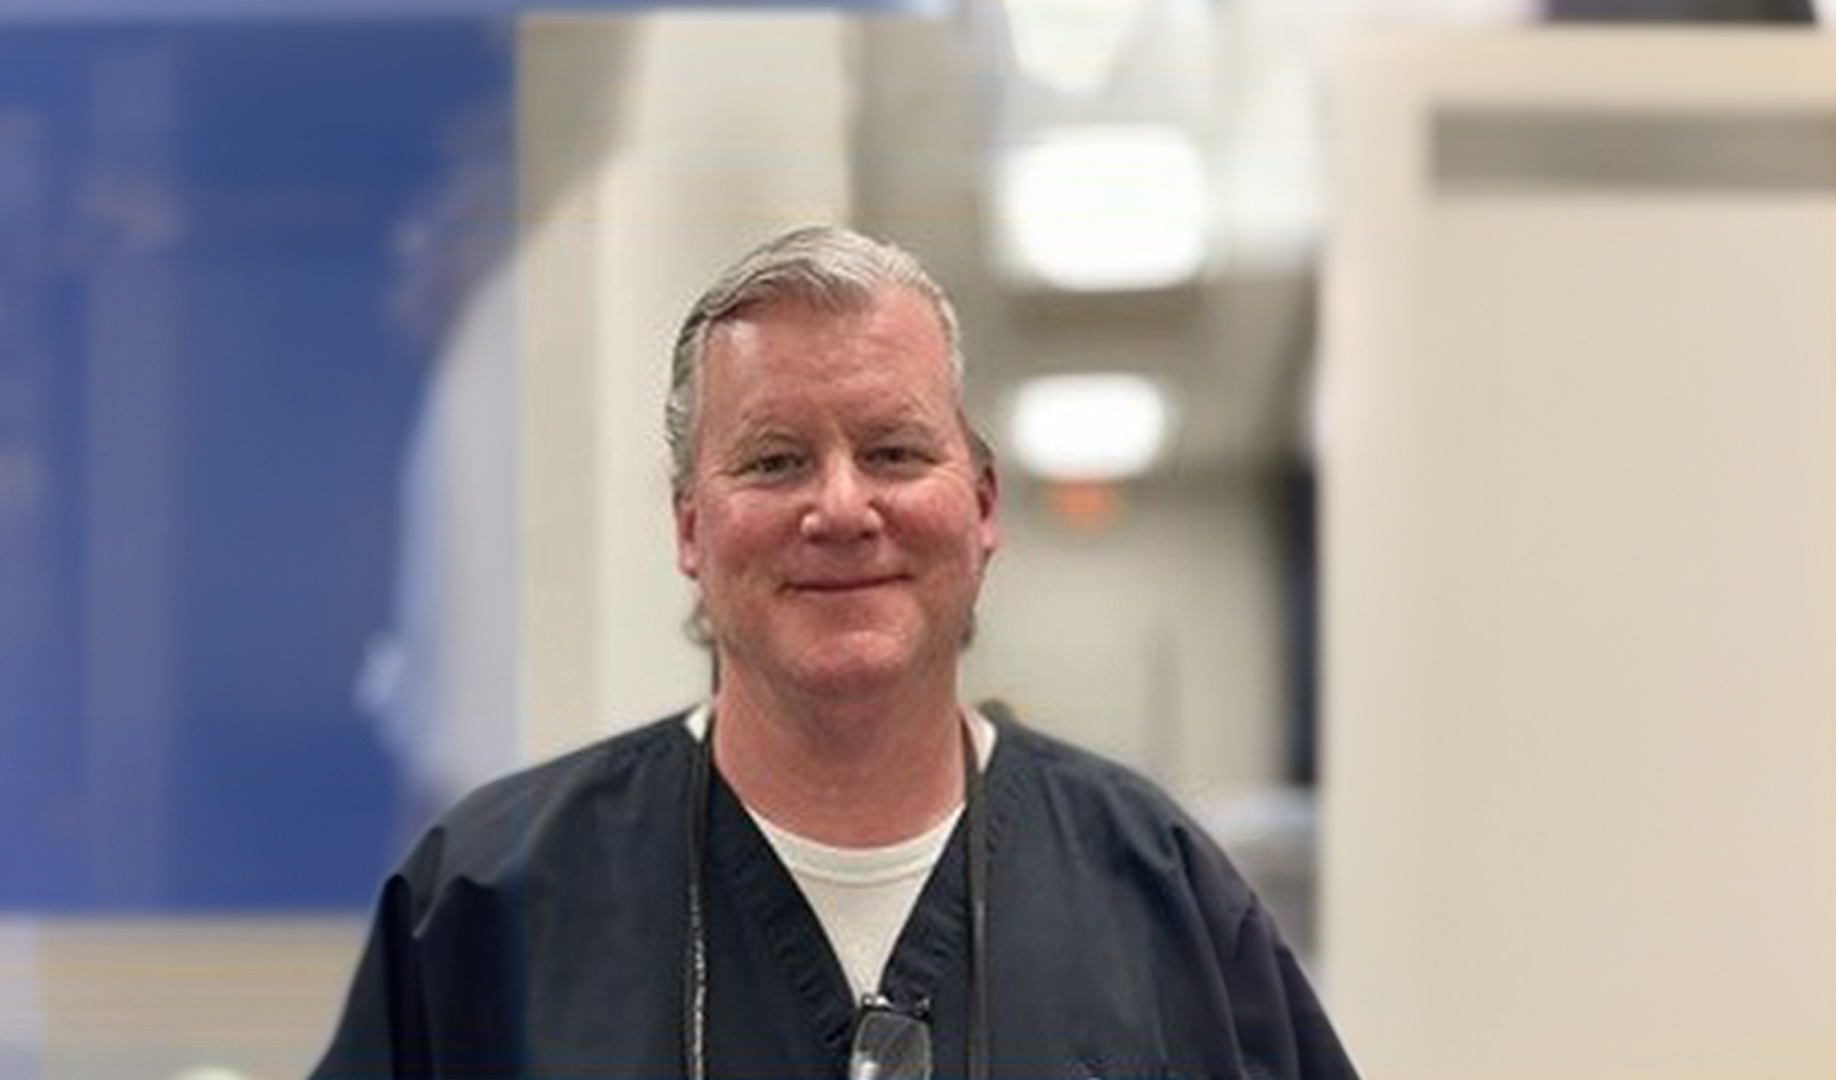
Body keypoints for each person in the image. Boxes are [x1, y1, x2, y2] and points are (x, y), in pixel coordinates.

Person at [312, 226, 1358, 1080]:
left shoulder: (1159, 896)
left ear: (983, 505)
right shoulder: (491, 905)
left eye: (895, 453)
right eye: (774, 462)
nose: (843, 507)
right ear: (690, 529)